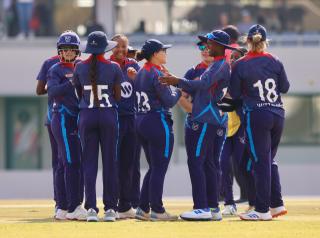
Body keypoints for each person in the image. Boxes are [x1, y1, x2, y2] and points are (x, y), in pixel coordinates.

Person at [160, 30, 237, 221]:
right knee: (210, 164)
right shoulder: (221, 65)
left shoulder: (219, 65)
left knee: (196, 162)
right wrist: (176, 80)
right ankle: (213, 208)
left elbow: (202, 85)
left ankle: (201, 207)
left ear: (220, 47)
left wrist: (176, 80)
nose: (206, 47)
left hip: (204, 120)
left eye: (209, 44)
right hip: (214, 120)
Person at [229, 24, 289, 221]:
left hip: (257, 115)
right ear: (265, 41)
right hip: (278, 113)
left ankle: (262, 209)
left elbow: (235, 94)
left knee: (260, 162)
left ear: (247, 41)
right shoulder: (275, 60)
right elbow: (285, 87)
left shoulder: (241, 64)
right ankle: (277, 204)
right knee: (269, 160)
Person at [73, 31, 122, 222]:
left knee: (89, 164)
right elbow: (117, 96)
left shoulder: (79, 67)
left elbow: (79, 93)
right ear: (104, 48)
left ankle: (91, 209)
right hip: (108, 116)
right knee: (110, 162)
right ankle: (110, 208)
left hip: (87, 116)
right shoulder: (114, 67)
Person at [134, 39, 181, 221]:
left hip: (141, 121)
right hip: (157, 121)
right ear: (155, 54)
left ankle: (143, 208)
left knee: (154, 167)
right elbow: (169, 101)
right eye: (163, 50)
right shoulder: (156, 73)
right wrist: (179, 88)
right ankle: (157, 210)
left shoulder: (140, 72)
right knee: (159, 167)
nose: (165, 53)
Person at [47, 31, 86, 221]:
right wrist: (71, 82)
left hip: (77, 118)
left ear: (77, 51)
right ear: (60, 51)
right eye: (65, 49)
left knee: (68, 162)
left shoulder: (82, 67)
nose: (69, 52)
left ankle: (63, 206)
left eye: (72, 49)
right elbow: (52, 91)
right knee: (70, 162)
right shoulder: (55, 69)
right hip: (62, 118)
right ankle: (73, 206)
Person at [109, 34, 140, 219]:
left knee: (133, 163)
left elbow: (143, 88)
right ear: (111, 48)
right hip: (114, 118)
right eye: (117, 47)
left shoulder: (133, 65)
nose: (121, 50)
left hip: (132, 118)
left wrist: (136, 79)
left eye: (124, 47)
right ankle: (116, 203)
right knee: (115, 163)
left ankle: (133, 203)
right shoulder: (107, 66)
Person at [218, 47, 247, 216]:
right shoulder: (225, 76)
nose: (233, 60)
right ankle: (229, 203)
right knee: (223, 164)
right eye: (232, 57)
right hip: (226, 127)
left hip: (241, 127)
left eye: (237, 57)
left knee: (241, 165)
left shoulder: (246, 78)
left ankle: (257, 201)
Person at [36, 44, 62, 219]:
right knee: (70, 161)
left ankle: (60, 204)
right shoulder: (79, 64)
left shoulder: (49, 63)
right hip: (66, 118)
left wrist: (53, 88)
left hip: (53, 117)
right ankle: (68, 203)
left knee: (58, 163)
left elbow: (40, 90)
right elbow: (40, 91)